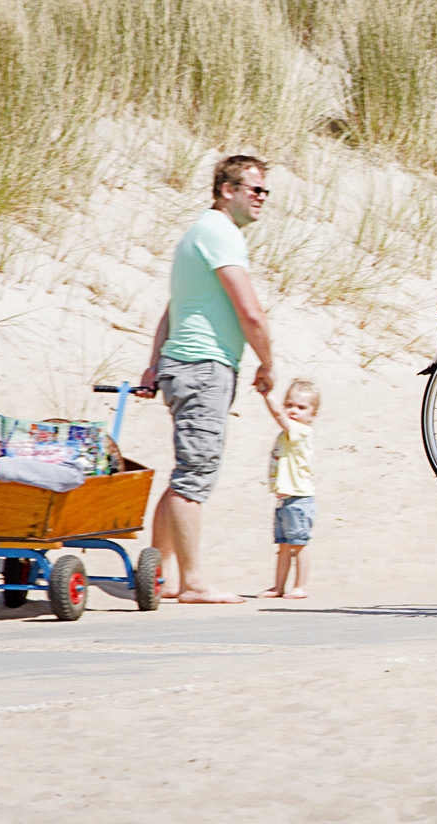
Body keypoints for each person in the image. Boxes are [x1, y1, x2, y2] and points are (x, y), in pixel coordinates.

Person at [138, 154, 274, 604]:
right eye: (254, 189)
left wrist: (154, 363)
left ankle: (158, 576)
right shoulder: (220, 233)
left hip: (185, 365)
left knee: (185, 476)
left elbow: (174, 308)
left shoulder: (200, 232)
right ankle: (193, 582)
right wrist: (267, 363)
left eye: (265, 191)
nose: (261, 198)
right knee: (194, 478)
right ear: (227, 190)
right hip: (202, 368)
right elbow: (249, 311)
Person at [260, 378, 319, 599]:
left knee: (299, 544)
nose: (293, 411)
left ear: (312, 414)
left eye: (301, 408)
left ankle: (300, 585)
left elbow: (278, 416)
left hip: (300, 500)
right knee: (284, 545)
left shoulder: (301, 431)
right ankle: (278, 586)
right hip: (284, 500)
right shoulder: (286, 433)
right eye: (289, 405)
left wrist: (267, 395)